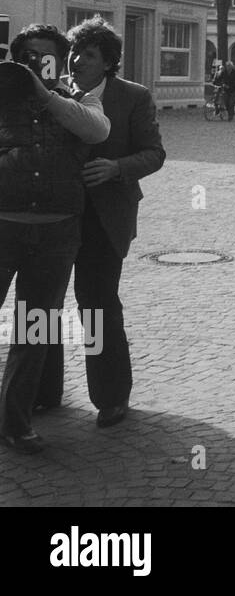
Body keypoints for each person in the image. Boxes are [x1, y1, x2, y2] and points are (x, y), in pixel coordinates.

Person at [35, 17, 165, 429]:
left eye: (87, 56)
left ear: (108, 62)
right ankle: (42, 389)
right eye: (73, 52)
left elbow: (154, 153)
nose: (75, 61)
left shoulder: (133, 97)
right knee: (44, 303)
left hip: (104, 218)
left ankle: (110, 397)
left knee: (96, 304)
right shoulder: (52, 93)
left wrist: (117, 168)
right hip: (54, 214)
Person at [0, 23, 110, 453]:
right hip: (3, 224)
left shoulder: (81, 100)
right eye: (27, 58)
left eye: (45, 58)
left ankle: (15, 422)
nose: (36, 65)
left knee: (35, 329)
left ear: (60, 62)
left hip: (56, 231)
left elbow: (97, 131)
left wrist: (45, 93)